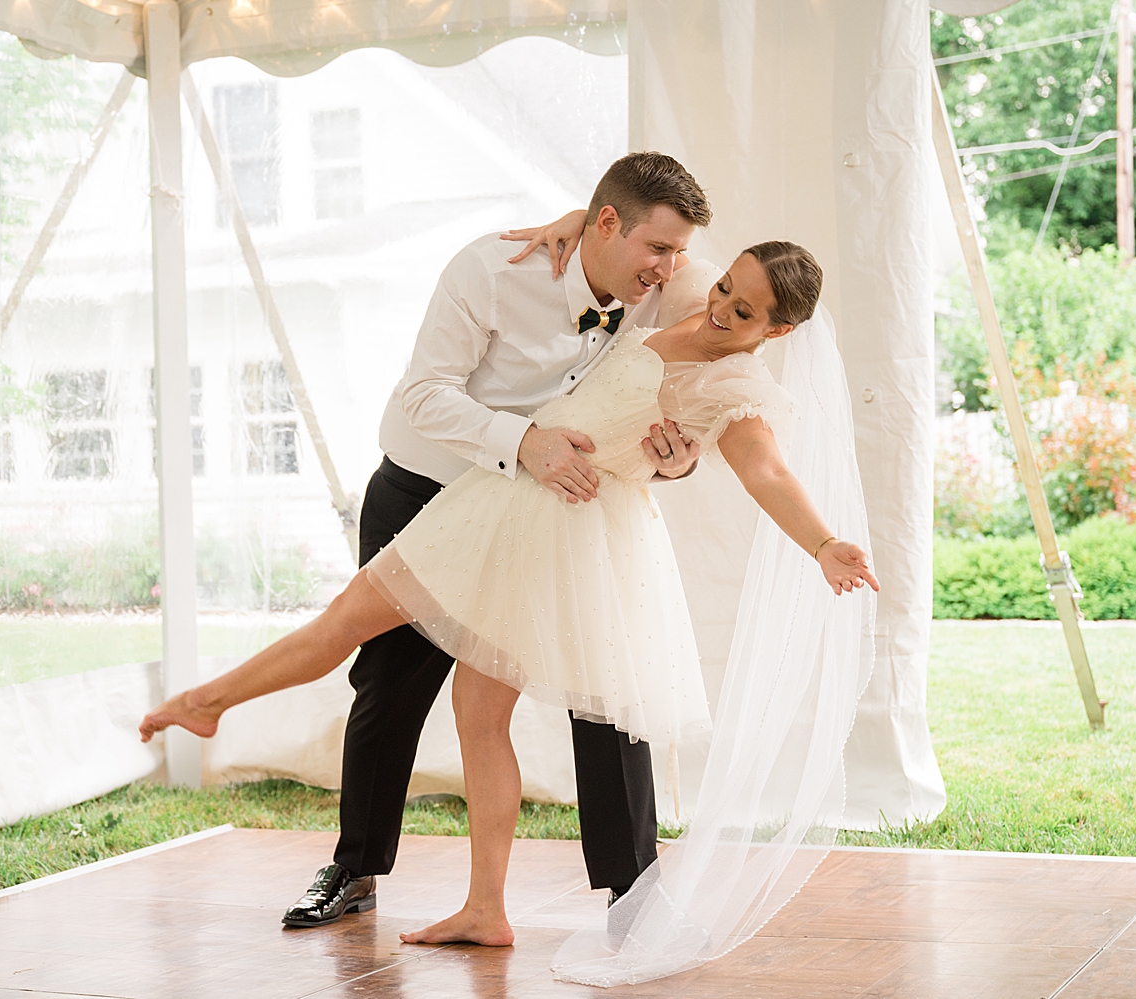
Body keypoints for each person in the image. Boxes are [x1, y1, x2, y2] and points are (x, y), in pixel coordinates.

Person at [139, 240, 879, 948]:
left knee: (452, 694)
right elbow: (630, 224)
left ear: (779, 330)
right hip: (500, 502)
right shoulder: (689, 288)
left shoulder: (738, 386)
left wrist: (822, 542)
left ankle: (212, 707)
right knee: (404, 664)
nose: (722, 307)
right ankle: (482, 905)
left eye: (745, 312)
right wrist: (569, 225)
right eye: (727, 288)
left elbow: (766, 473)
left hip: (552, 527)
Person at [287, 152, 719, 932]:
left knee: (606, 682)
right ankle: (355, 867)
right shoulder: (491, 270)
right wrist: (524, 441)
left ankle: (636, 892)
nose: (671, 267)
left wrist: (679, 459)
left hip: (547, 504)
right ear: (608, 223)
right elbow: (424, 397)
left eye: (680, 251)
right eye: (659, 248)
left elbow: (718, 336)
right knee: (388, 683)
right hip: (429, 490)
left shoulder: (659, 282)